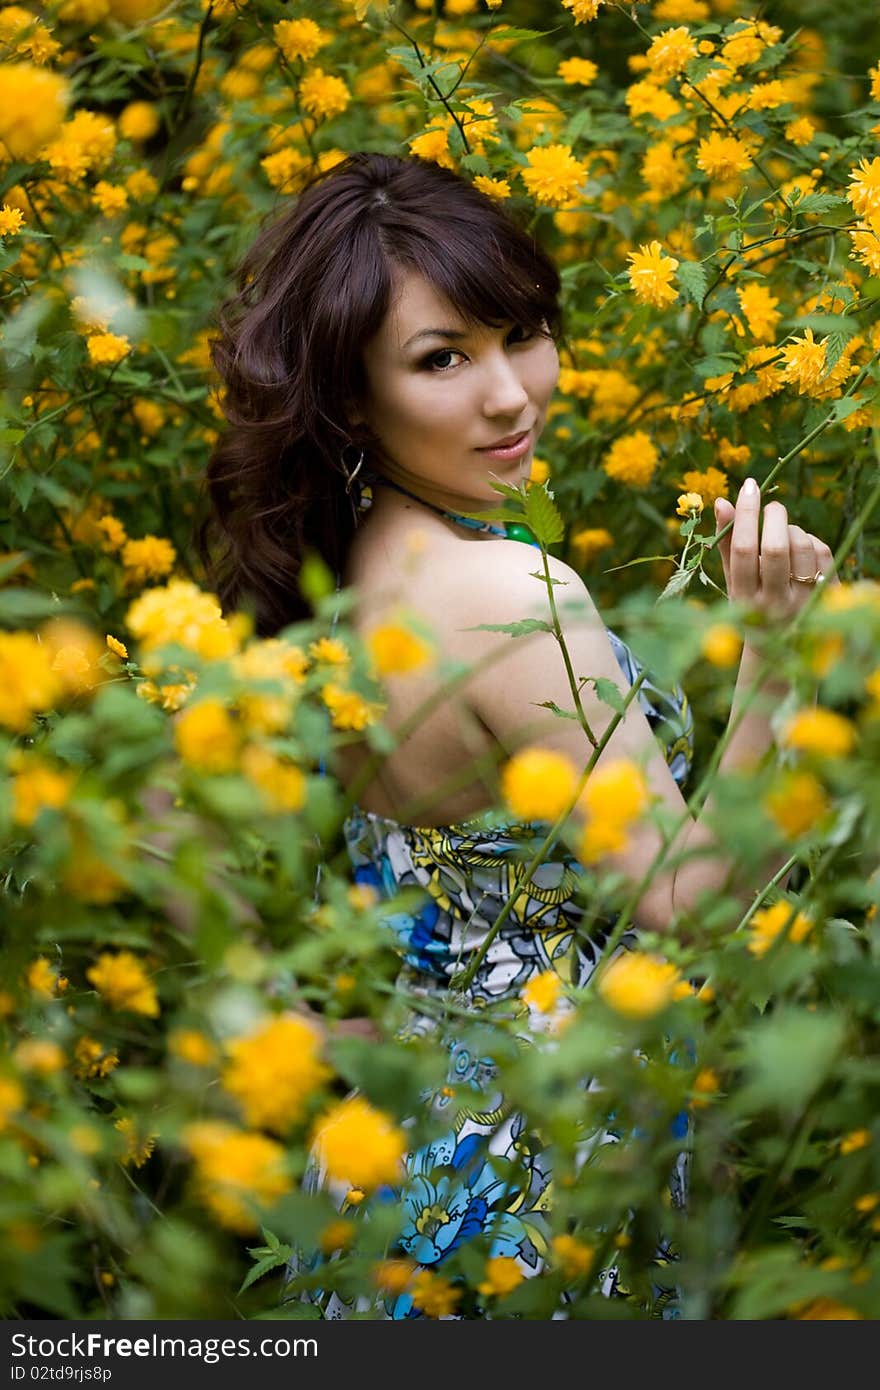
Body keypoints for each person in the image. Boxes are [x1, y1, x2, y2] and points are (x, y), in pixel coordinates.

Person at [195, 151, 836, 1318]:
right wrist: (776, 652)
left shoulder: (336, 578)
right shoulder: (505, 593)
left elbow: (186, 825)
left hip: (394, 1153)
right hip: (545, 1166)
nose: (511, 394)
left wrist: (336, 1022)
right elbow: (694, 907)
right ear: (349, 395)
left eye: (520, 333)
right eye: (443, 358)